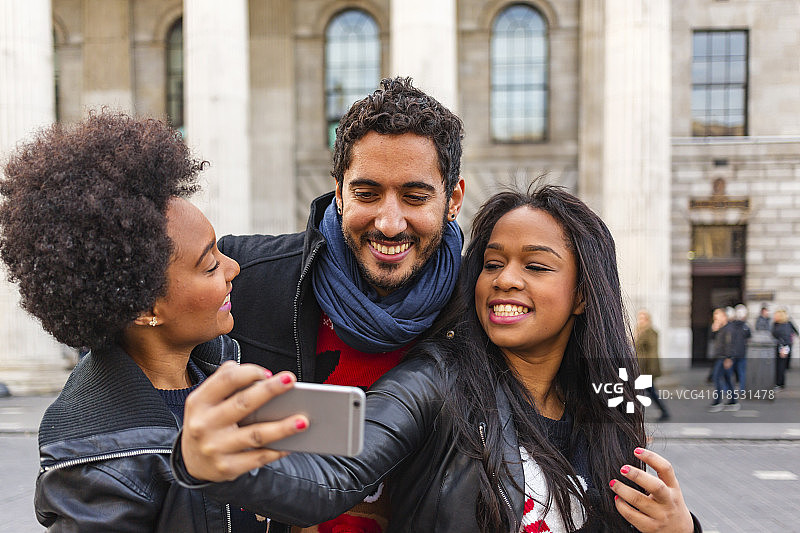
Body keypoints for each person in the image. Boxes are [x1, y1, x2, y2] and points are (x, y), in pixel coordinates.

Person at [174, 185, 702, 533]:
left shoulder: (608, 397)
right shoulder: (435, 379)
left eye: (536, 266)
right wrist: (215, 464)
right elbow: (333, 475)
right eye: (493, 263)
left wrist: (684, 528)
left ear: (583, 295)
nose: (506, 279)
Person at [0, 112, 305, 532]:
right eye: (210, 265)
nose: (234, 268)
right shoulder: (96, 465)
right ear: (146, 310)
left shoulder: (216, 368)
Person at [204, 76, 465, 532]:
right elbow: (127, 361)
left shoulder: (481, 312)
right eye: (366, 194)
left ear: (453, 200)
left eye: (416, 197)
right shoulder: (242, 277)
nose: (388, 222)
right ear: (339, 193)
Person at [635, 310, 670, 422]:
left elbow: (652, 352)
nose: (640, 320)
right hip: (640, 367)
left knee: (640, 393)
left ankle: (636, 417)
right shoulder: (639, 331)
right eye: (639, 318)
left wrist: (651, 370)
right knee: (647, 392)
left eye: (643, 318)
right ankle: (664, 412)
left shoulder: (650, 332)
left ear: (648, 320)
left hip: (645, 369)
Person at [708, 308, 734, 412]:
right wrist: (715, 329)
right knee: (727, 379)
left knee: (717, 378)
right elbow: (713, 340)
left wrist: (728, 358)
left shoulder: (728, 329)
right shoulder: (721, 328)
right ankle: (733, 401)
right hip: (719, 356)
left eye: (717, 315)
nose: (715, 317)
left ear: (724, 316)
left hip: (723, 357)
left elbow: (729, 344)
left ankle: (718, 401)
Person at [727, 304, 751, 402]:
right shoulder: (745, 326)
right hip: (742, 352)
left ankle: (729, 390)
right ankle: (742, 390)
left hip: (732, 353)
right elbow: (749, 336)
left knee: (729, 373)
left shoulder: (731, 326)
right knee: (742, 373)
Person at [772, 308, 798, 390]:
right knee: (778, 366)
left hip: (783, 347)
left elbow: (786, 338)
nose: (774, 317)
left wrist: (784, 349)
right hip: (776, 346)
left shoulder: (785, 325)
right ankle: (779, 383)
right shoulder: (775, 324)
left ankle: (780, 384)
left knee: (780, 366)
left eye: (776, 315)